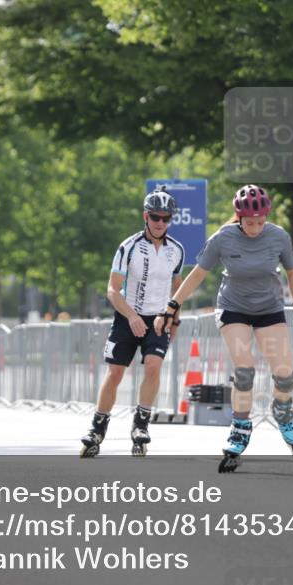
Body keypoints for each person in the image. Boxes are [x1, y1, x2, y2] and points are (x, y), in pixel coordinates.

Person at [155, 184, 293, 472]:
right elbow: (198, 273)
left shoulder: (278, 237)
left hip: (269, 308)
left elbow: (292, 271)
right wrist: (172, 306)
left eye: (260, 222)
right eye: (249, 223)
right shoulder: (223, 238)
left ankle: (283, 410)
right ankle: (240, 427)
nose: (255, 228)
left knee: (285, 375)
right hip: (233, 307)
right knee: (244, 369)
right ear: (238, 217)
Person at [80, 186, 185, 458]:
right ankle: (97, 427)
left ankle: (140, 425)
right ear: (145, 216)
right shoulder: (128, 247)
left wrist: (174, 321)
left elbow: (178, 290)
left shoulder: (177, 251)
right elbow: (113, 290)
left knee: (153, 367)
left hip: (159, 319)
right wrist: (132, 316)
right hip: (128, 315)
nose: (160, 223)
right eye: (155, 217)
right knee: (115, 373)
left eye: (166, 218)